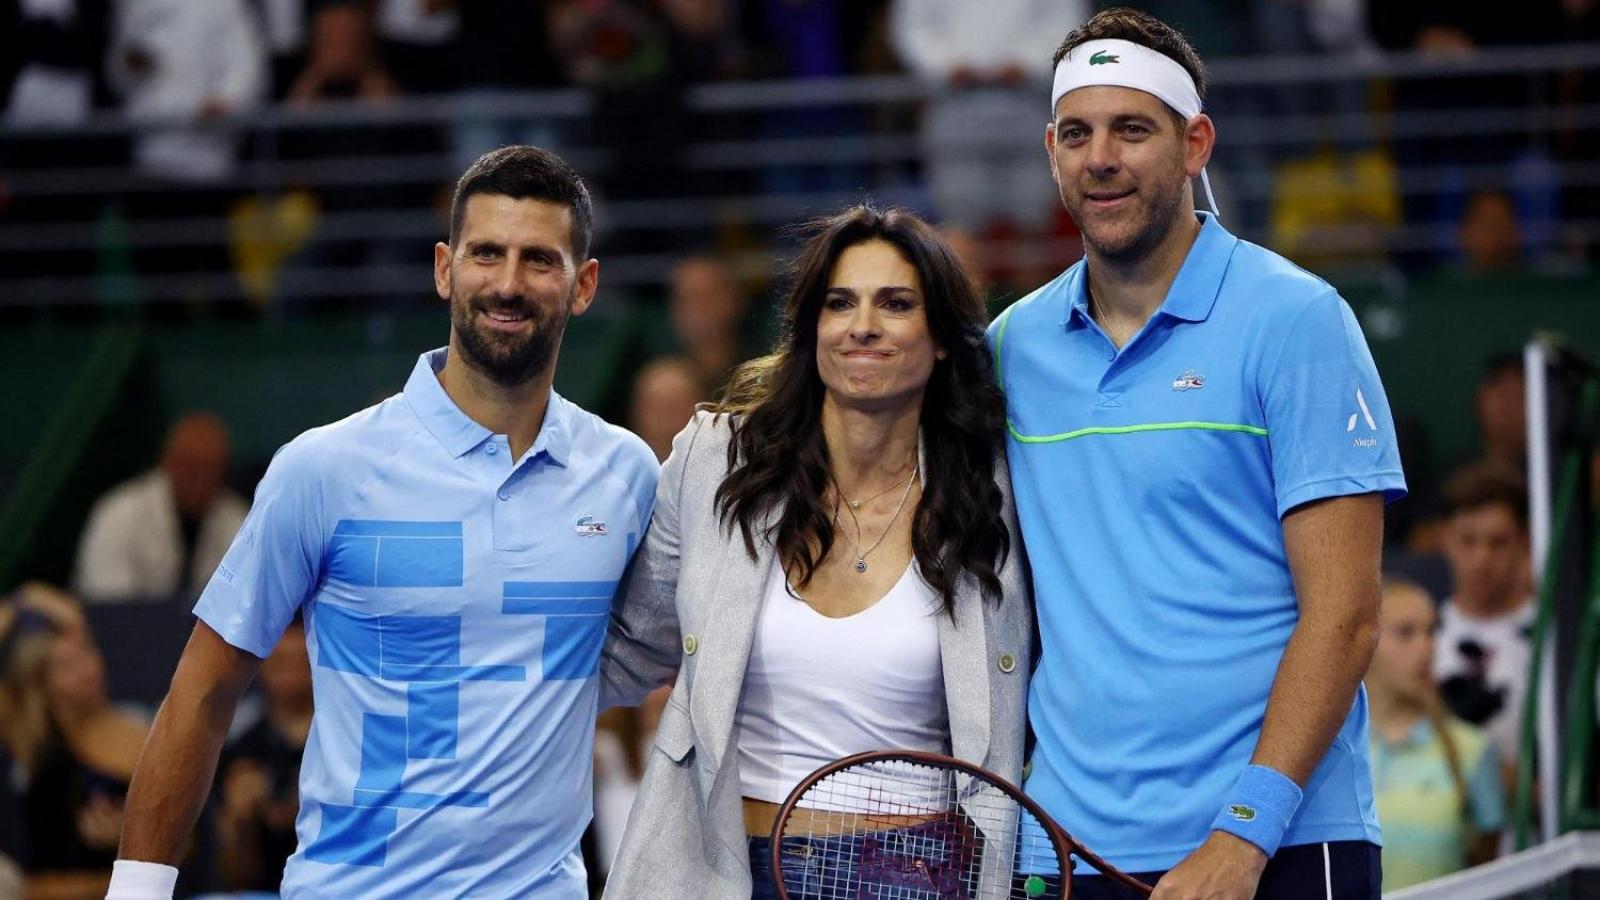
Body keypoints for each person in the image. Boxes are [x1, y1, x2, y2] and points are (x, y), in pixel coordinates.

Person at [106, 146, 659, 900]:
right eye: (486, 253)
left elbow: (663, 650)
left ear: (583, 284)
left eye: (538, 259)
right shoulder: (323, 468)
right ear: (444, 269)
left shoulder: (627, 474)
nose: (507, 283)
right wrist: (135, 893)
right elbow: (202, 695)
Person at [990, 9, 1406, 897]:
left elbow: (1346, 617)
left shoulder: (1299, 320)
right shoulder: (1011, 347)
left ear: (1195, 145)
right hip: (1065, 848)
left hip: (1278, 843)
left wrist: (1244, 833)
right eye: (1077, 134)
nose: (1101, 158)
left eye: (1132, 129)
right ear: (1052, 153)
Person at [600, 204, 1033, 899]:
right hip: (724, 870)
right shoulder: (715, 462)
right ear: (811, 327)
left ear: (942, 339)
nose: (863, 324)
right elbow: (628, 650)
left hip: (911, 876)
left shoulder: (997, 491)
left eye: (896, 303)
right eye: (840, 303)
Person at [0, 583, 150, 899]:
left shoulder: (133, 732)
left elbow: (185, 840)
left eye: (88, 653)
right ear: (41, 680)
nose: (87, 669)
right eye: (68, 665)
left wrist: (131, 837)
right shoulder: (29, 740)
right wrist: (18, 605)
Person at [1367, 578, 1504, 890]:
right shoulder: (1328, 750)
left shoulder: (1472, 749)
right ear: (1365, 639)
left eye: (1431, 631)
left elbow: (1486, 871)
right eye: (1405, 632)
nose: (1426, 647)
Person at [72, 413, 248, 605]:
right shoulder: (119, 513)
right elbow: (106, 602)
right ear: (168, 462)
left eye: (211, 469)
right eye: (192, 467)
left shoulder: (239, 521)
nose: (201, 480)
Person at [1433, 463, 1532, 777]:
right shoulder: (1419, 636)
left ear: (1525, 542)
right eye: (1468, 541)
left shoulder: (1558, 639)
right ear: (1445, 539)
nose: (1481, 559)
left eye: (1498, 542)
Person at [213, 618, 312, 892]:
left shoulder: (342, 742)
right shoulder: (242, 749)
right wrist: (239, 823)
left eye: (298, 662)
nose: (288, 674)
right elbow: (233, 875)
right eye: (279, 662)